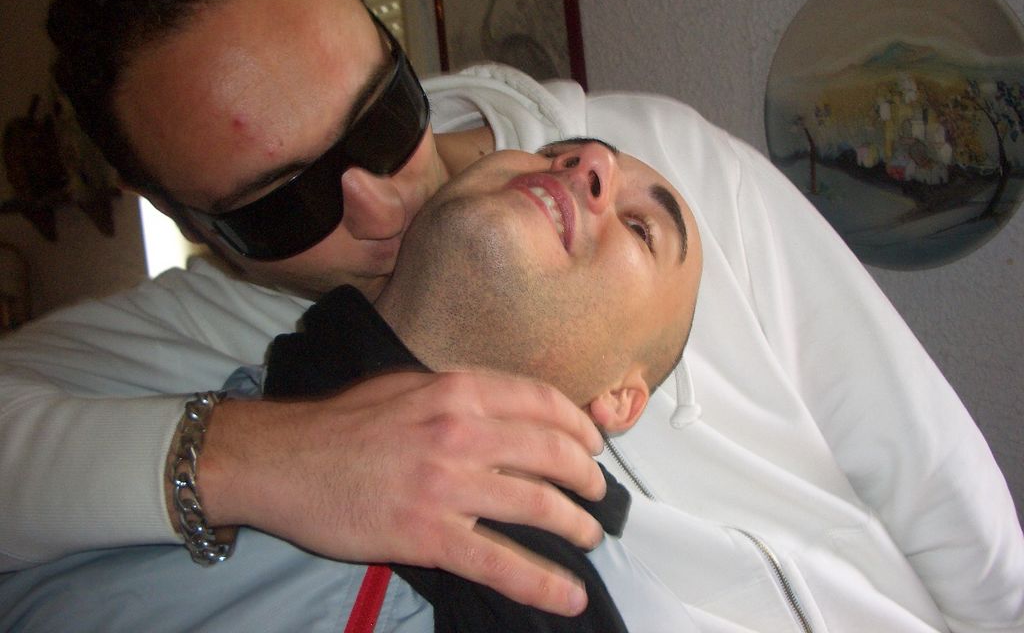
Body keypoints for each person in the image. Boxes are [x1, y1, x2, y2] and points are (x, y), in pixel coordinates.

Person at [1, 0, 1021, 631]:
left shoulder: (649, 163)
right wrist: (252, 459)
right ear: (190, 221)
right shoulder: (206, 339)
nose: (383, 202)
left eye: (380, 115)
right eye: (283, 204)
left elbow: (925, 471)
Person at [0, 139, 708, 632]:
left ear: (620, 399)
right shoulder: (151, 369)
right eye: (559, 151)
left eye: (642, 230)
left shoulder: (617, 612)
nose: (588, 162)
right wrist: (249, 457)